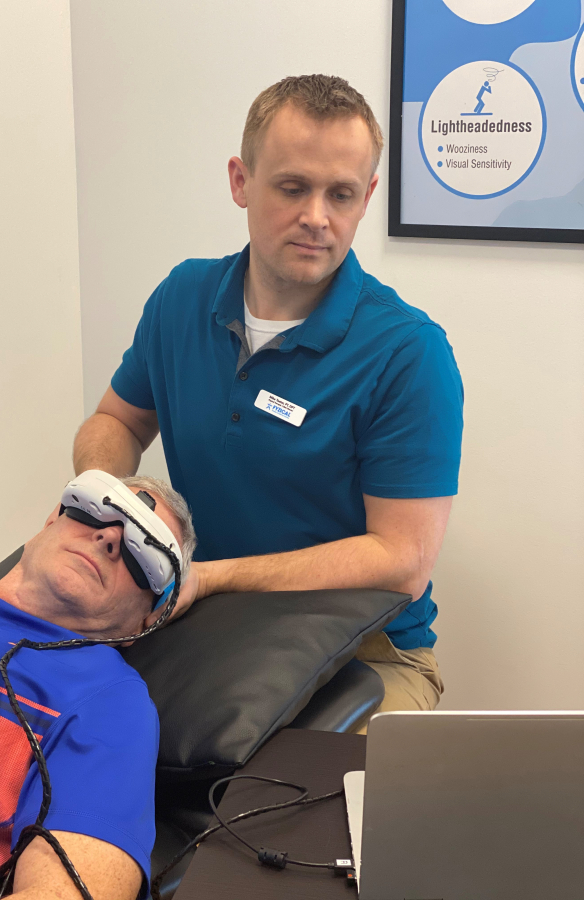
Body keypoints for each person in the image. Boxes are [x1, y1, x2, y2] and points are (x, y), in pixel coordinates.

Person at [72, 74, 463, 724]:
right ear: (240, 181)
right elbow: (116, 419)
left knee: (293, 814)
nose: (316, 216)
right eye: (291, 187)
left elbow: (401, 562)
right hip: (202, 621)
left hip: (365, 650)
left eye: (340, 194)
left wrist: (211, 578)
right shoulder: (182, 299)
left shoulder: (407, 353)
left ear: (366, 198)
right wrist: (104, 500)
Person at [0, 475, 195, 900]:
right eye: (95, 508)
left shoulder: (112, 701)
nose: (109, 537)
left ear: (146, 621)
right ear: (48, 523)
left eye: (145, 555)